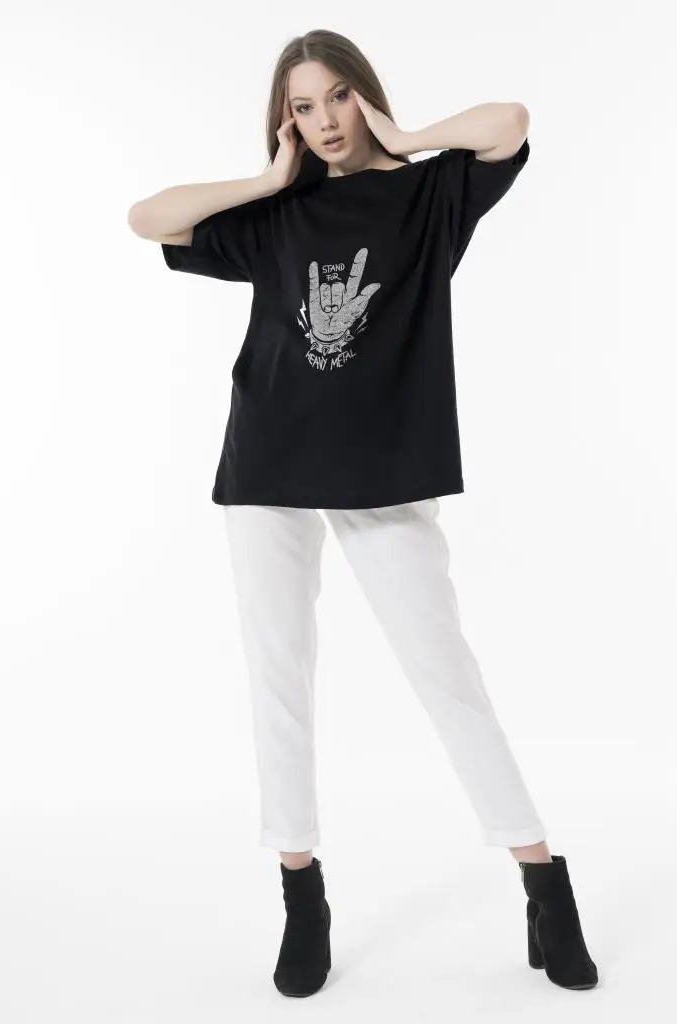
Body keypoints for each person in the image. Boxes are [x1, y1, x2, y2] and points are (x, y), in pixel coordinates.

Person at [128, 27, 599, 1001]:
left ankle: (543, 879)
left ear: (364, 96)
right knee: (279, 675)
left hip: (383, 468)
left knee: (443, 669)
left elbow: (510, 122)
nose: (324, 120)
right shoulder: (276, 214)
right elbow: (147, 219)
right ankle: (301, 893)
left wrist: (409, 136)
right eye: (302, 107)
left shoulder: (430, 195)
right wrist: (266, 180)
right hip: (267, 460)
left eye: (336, 96)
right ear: (285, 122)